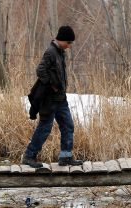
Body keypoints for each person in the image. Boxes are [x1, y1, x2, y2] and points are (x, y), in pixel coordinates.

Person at [22, 25, 83, 169]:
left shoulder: (60, 52)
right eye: (68, 42)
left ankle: (65, 157)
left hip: (61, 99)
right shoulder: (50, 52)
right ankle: (29, 156)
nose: (69, 45)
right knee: (44, 128)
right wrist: (52, 85)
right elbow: (40, 70)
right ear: (61, 40)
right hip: (49, 99)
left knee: (68, 126)